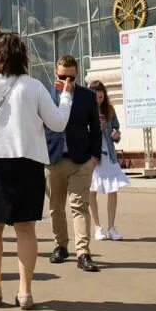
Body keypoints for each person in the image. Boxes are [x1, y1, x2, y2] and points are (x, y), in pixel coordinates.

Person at [0, 33, 73, 309]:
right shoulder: (34, 86)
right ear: (23, 56)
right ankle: (25, 291)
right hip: (27, 160)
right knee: (25, 227)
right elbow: (58, 123)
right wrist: (66, 96)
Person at [45, 55, 102, 273]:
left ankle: (83, 252)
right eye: (62, 77)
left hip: (80, 160)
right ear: (55, 73)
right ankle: (61, 245)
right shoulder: (46, 95)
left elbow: (95, 128)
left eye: (71, 77)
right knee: (56, 207)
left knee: (79, 206)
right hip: (53, 159)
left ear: (77, 74)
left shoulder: (87, 96)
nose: (66, 81)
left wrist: (95, 156)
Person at [87, 79, 131, 240]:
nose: (99, 101)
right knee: (92, 190)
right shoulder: (86, 110)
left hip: (109, 154)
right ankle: (97, 227)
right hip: (93, 156)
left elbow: (117, 132)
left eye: (101, 97)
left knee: (113, 189)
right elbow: (83, 133)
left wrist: (115, 134)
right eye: (95, 98)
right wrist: (95, 127)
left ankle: (111, 227)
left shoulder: (110, 111)